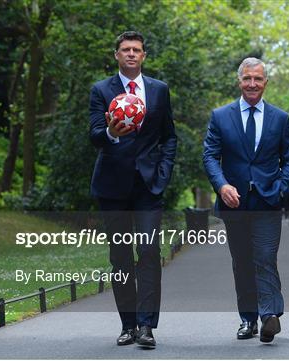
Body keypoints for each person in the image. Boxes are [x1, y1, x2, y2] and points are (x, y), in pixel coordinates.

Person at [89, 31, 177, 348]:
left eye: (136, 49)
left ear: (143, 56)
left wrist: (163, 172)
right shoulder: (101, 91)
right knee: (121, 257)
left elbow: (169, 136)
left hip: (148, 188)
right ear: (116, 55)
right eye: (125, 49)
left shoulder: (159, 91)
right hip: (112, 187)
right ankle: (128, 324)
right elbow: (95, 135)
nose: (130, 54)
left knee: (150, 252)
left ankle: (146, 326)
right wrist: (111, 133)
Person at [203, 57, 289, 343]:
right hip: (235, 204)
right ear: (239, 81)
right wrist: (222, 186)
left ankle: (270, 315)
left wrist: (281, 186)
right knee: (242, 262)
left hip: (268, 202)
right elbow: (210, 156)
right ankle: (248, 319)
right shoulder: (220, 116)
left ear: (266, 82)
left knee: (265, 257)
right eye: (247, 79)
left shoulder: (280, 118)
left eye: (257, 79)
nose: (252, 84)